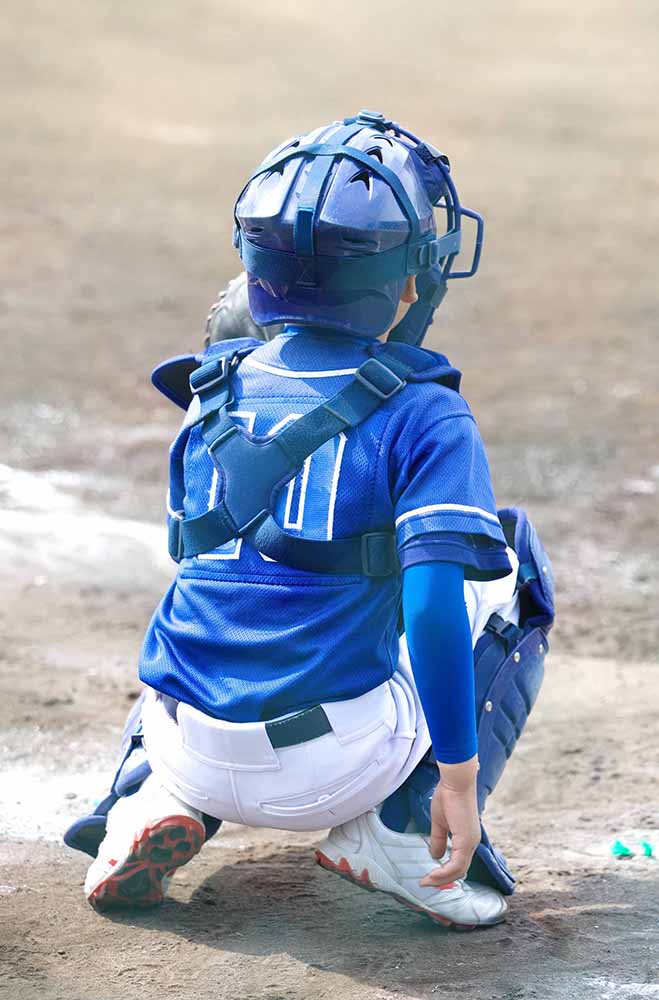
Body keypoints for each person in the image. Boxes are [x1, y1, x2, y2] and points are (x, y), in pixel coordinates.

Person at [65, 111, 554, 929]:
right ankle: (400, 830)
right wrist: (461, 779)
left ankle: (141, 795)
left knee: (224, 584)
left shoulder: (204, 390)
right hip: (336, 762)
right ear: (410, 278)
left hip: (184, 736)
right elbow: (430, 607)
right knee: (505, 562)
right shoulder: (426, 414)